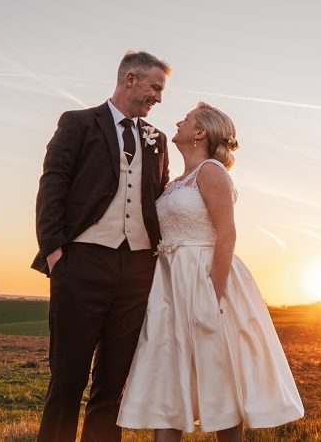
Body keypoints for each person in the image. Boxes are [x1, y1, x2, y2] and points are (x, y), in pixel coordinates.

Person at [117, 102, 304, 441]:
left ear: (200, 132)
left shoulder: (211, 171)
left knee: (217, 369)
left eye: (186, 119)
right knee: (167, 369)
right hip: (170, 283)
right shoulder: (176, 181)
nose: (178, 121)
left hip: (205, 277)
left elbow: (227, 233)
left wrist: (211, 296)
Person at [32, 50, 172, 442]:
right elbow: (53, 184)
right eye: (155, 87)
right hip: (81, 265)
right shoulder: (78, 123)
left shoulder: (156, 139)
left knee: (113, 386)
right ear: (130, 79)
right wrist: (56, 250)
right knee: (67, 382)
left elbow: (158, 197)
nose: (158, 98)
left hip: (137, 272)